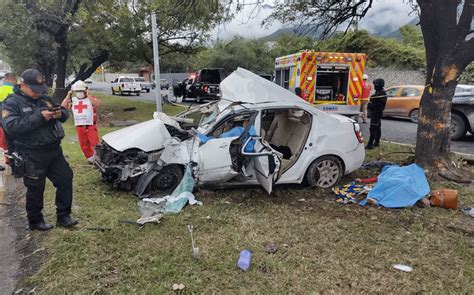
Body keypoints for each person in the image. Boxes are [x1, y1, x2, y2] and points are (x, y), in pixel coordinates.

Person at [2, 69, 78, 231]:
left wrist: (59, 114)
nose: (37, 93)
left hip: (53, 150)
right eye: (33, 90)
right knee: (36, 187)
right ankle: (35, 221)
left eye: (39, 89)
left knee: (65, 179)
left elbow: (64, 114)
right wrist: (40, 117)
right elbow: (12, 127)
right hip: (30, 153)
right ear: (22, 85)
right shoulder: (11, 103)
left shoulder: (45, 99)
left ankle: (64, 215)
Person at [61, 80, 100, 163]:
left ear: (85, 90)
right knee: (84, 144)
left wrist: (89, 95)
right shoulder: (73, 100)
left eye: (81, 91)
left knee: (95, 144)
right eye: (77, 91)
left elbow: (98, 104)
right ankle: (90, 158)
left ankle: (99, 158)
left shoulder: (90, 99)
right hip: (79, 126)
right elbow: (63, 107)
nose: (79, 93)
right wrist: (68, 95)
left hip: (90, 126)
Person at [0, 73, 18, 168]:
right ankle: (15, 163)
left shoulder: (0, 89)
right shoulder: (17, 91)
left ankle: (7, 159)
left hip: (1, 121)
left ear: (5, 79)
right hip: (14, 121)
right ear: (13, 79)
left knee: (3, 141)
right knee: (13, 142)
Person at [366, 78, 387, 149]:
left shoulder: (382, 93)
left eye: (375, 84)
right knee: (377, 129)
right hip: (376, 113)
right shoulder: (378, 92)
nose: (374, 86)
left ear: (379, 85)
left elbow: (380, 105)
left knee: (373, 129)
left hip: (377, 113)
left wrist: (370, 105)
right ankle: (376, 143)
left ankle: (370, 144)